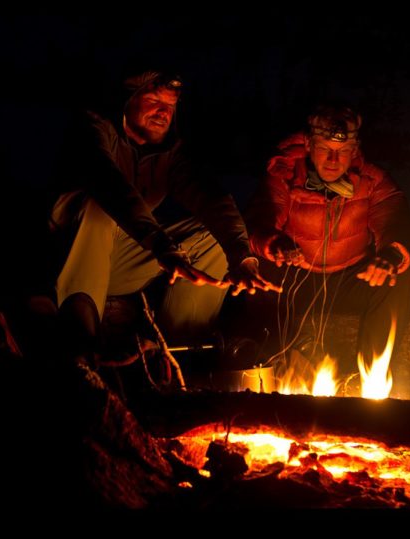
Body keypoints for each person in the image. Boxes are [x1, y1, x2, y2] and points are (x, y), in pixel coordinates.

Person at [48, 70, 277, 363]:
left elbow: (211, 197)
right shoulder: (94, 129)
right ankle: (80, 349)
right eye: (154, 100)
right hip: (66, 255)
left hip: (119, 259)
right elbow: (112, 187)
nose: (163, 112)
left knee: (208, 237)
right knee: (99, 210)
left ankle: (177, 353)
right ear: (127, 101)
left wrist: (242, 256)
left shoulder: (169, 153)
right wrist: (162, 246)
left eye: (171, 105)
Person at [244, 104, 410, 375]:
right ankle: (270, 367)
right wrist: (274, 243)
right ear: (309, 144)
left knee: (398, 279)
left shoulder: (372, 181)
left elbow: (395, 220)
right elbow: (261, 218)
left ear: (355, 150)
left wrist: (391, 255)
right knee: (257, 276)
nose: (333, 160)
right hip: (295, 278)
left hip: (349, 278)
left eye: (342, 151)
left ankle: (373, 377)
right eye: (325, 149)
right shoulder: (284, 173)